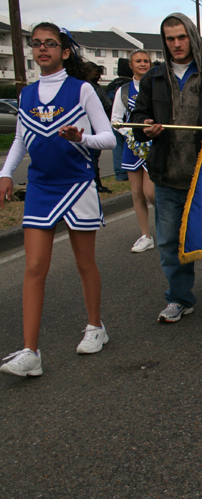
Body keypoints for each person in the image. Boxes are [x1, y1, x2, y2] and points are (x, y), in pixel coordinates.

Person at [0, 23, 116, 377]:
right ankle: (30, 351)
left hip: (76, 184)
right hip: (40, 186)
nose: (42, 49)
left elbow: (109, 138)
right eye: (36, 44)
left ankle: (95, 326)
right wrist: (6, 174)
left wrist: (81, 139)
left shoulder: (82, 90)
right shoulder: (26, 94)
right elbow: (21, 139)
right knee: (34, 267)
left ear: (65, 52)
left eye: (50, 44)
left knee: (85, 263)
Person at [130, 13, 202, 323]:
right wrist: (145, 126)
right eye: (170, 39)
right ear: (164, 42)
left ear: (192, 37)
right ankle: (180, 298)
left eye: (181, 37)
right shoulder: (153, 78)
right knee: (169, 242)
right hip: (168, 176)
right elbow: (138, 118)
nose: (176, 44)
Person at [111, 49, 156, 253]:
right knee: (137, 193)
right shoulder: (124, 91)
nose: (143, 64)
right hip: (132, 147)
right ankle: (146, 235)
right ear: (131, 65)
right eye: (138, 61)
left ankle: (169, 224)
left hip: (154, 146)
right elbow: (116, 120)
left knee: (151, 193)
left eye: (146, 61)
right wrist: (131, 133)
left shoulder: (157, 86)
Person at [84, 61, 113, 194]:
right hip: (93, 128)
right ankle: (96, 183)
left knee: (91, 157)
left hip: (90, 128)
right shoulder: (92, 89)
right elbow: (107, 106)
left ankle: (94, 182)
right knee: (93, 158)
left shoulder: (87, 88)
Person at [106, 57, 133, 181]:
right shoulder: (124, 87)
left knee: (119, 148)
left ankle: (121, 174)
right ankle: (121, 174)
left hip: (117, 120)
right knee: (121, 148)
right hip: (122, 121)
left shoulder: (113, 84)